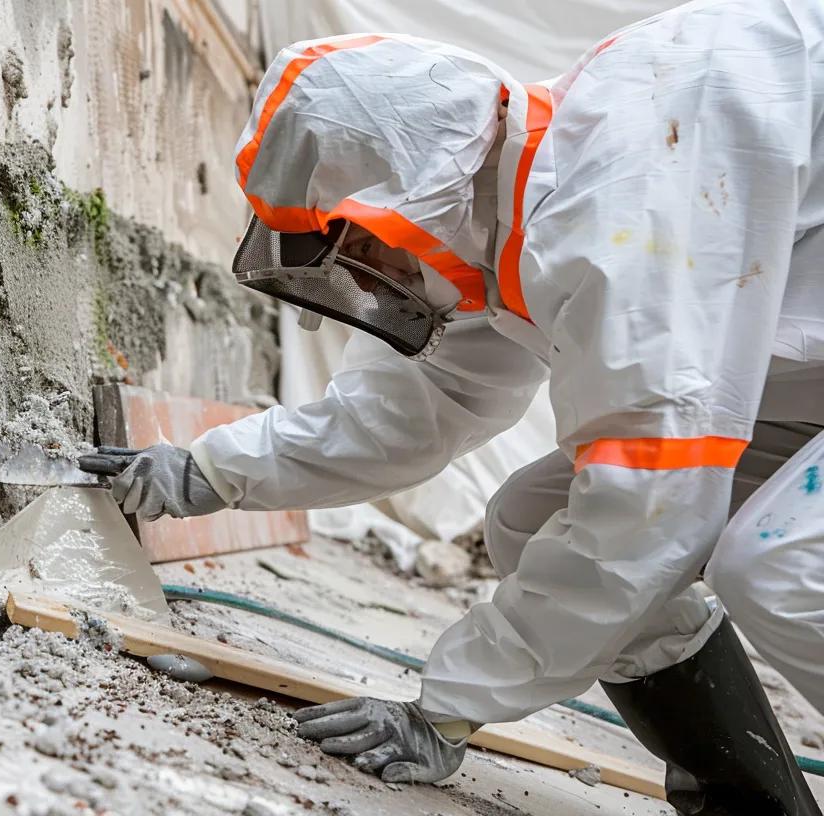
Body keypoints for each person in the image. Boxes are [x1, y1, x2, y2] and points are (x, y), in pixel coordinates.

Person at [79, 1, 824, 812]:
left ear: (412, 196)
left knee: (779, 567)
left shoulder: (615, 208)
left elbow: (646, 510)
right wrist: (207, 471)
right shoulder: (504, 211)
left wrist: (447, 709)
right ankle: (752, 802)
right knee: (528, 520)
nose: (362, 282)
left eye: (356, 248)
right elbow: (410, 410)